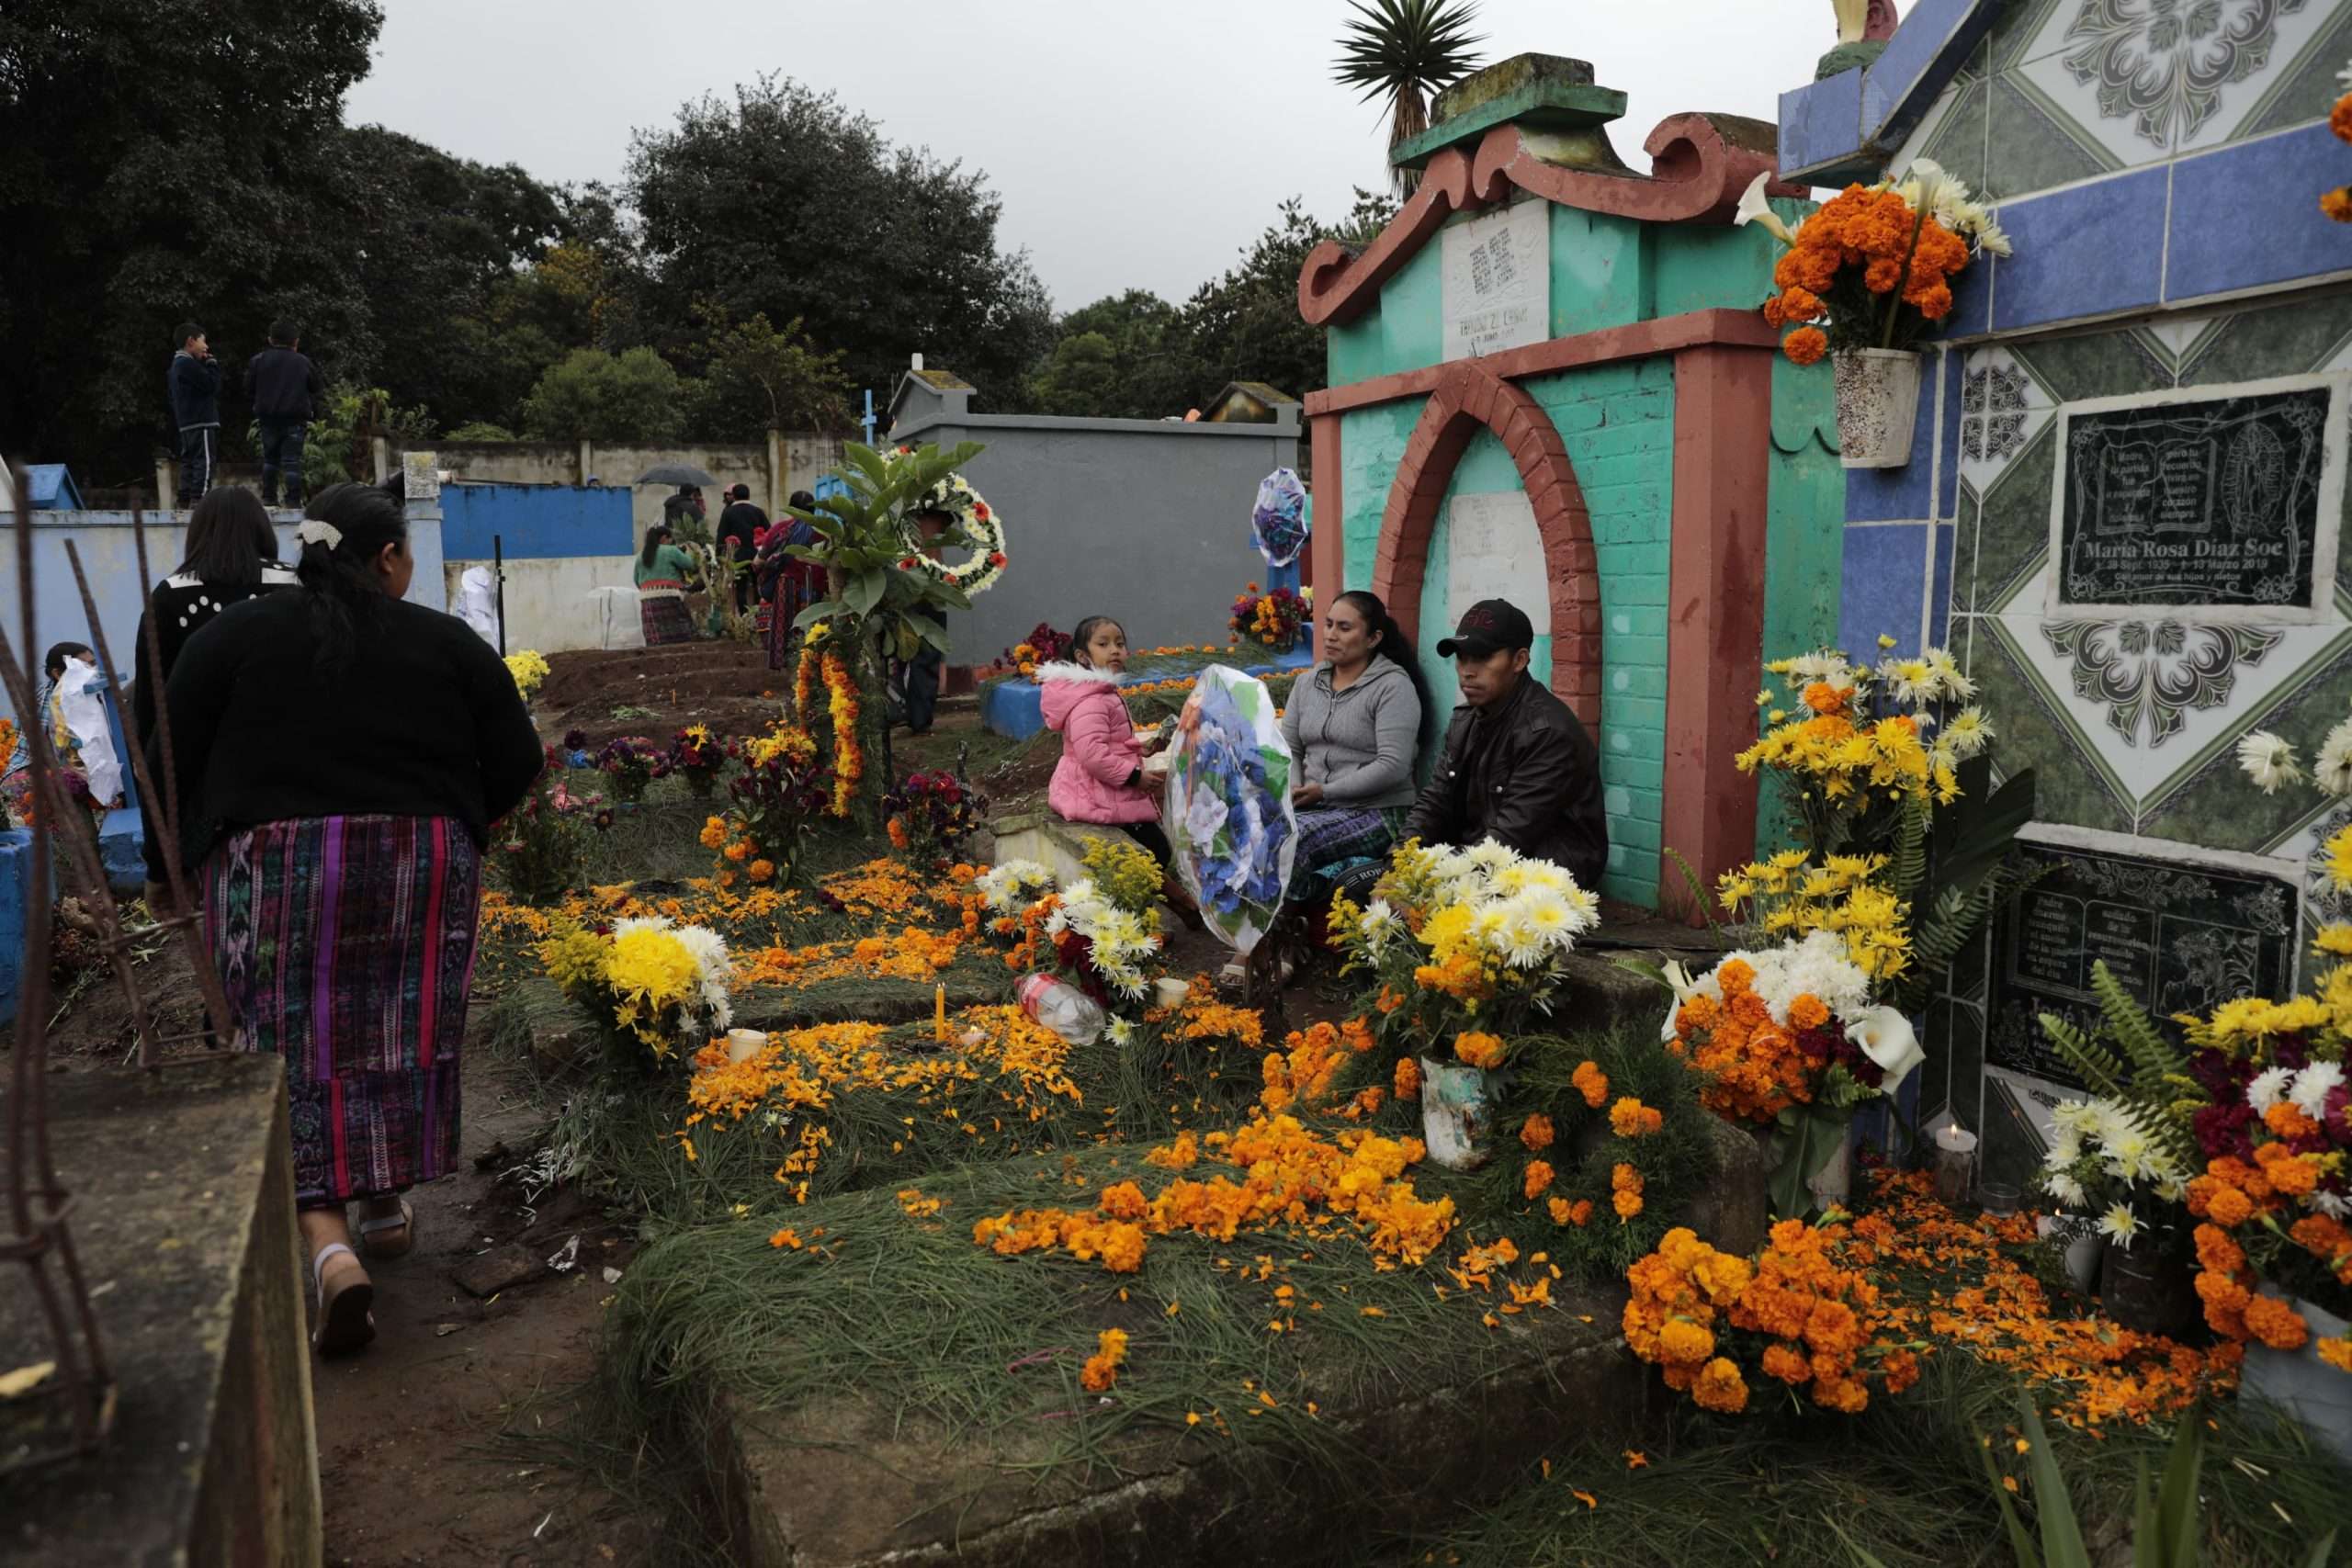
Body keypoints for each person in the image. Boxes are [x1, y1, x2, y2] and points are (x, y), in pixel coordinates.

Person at [144, 480, 542, 1356]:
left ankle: (328, 1249)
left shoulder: (232, 638)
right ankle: (386, 1203)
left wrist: (189, 854)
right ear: (390, 558)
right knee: (395, 1029)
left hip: (277, 872)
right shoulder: (445, 642)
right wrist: (462, 826)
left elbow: (163, 750)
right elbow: (520, 753)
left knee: (288, 1042)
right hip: (420, 865)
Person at [1403, 598, 1608, 889]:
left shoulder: (1548, 733)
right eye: (1461, 657)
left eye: (1483, 657)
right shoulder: (1466, 720)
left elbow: (1512, 835)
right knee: (1365, 886)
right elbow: (1435, 801)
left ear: (1520, 660)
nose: (1467, 671)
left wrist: (1428, 879)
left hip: (1543, 869)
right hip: (1481, 855)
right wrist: (1398, 862)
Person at [1039, 615, 1200, 927]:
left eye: (1120, 644)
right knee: (1149, 852)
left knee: (1152, 850)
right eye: (1103, 644)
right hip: (1094, 794)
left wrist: (1143, 748)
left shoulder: (1100, 693)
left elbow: (1108, 744)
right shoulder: (1091, 701)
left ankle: (1175, 906)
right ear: (1082, 657)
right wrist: (1135, 776)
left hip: (1102, 789)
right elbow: (1092, 754)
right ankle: (1161, 910)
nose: (1114, 650)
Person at [130, 487, 298, 757]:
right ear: (262, 529)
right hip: (287, 748)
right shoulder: (295, 584)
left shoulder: (170, 594)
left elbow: (151, 693)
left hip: (198, 755)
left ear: (198, 533)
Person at [1280, 589, 1429, 880]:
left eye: (1345, 628)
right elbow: (1289, 748)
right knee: (1249, 825)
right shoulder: (1307, 683)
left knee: (1290, 842)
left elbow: (1393, 765)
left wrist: (1325, 791)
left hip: (1377, 811)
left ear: (1373, 638)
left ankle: (1299, 917)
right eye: (1329, 624)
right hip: (1312, 805)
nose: (1331, 635)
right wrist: (1294, 788)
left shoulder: (1393, 687)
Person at [247, 320, 326, 508]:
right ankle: (293, 500)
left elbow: (248, 387)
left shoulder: (258, 360)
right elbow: (316, 386)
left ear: (270, 339)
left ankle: (268, 498)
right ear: (295, 342)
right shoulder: (303, 362)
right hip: (295, 418)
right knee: (292, 461)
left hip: (267, 418)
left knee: (270, 459)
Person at [41, 642, 125, 812]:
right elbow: (67, 753)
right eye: (83, 666)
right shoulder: (55, 701)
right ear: (57, 673)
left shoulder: (88, 694)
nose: (92, 672)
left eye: (93, 664)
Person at [762, 490, 821, 671]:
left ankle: (785, 665)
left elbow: (760, 559)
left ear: (790, 508)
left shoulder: (780, 530)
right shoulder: (823, 530)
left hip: (785, 585)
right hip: (814, 586)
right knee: (814, 628)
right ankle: (814, 666)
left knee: (783, 626)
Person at [168, 321, 221, 506]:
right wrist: (212, 364)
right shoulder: (187, 364)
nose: (206, 347)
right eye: (203, 341)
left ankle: (184, 499)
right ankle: (200, 500)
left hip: (186, 423)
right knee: (204, 461)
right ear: (190, 341)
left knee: (188, 462)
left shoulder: (176, 366)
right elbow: (211, 385)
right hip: (201, 422)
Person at [634, 524, 699, 646]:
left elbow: (637, 580)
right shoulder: (671, 550)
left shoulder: (641, 555)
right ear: (664, 538)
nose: (671, 542)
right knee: (682, 635)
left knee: (656, 640)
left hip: (647, 602)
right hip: (669, 597)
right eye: (670, 540)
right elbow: (690, 564)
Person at [717, 483, 766, 614]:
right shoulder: (758, 511)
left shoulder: (728, 512)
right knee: (758, 585)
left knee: (740, 588)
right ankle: (758, 614)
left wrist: (719, 557)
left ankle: (745, 616)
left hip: (737, 556)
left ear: (734, 496)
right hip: (757, 555)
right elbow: (769, 532)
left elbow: (721, 535)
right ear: (749, 495)